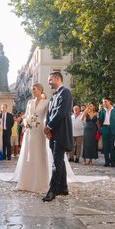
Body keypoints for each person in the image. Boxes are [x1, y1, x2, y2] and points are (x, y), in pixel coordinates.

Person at [43, 71, 73, 202]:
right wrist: (48, 129)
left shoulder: (65, 93)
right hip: (53, 134)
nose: (49, 82)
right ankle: (63, 187)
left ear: (57, 79)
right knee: (59, 161)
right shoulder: (54, 96)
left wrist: (49, 127)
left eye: (50, 80)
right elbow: (50, 114)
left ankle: (52, 191)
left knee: (56, 162)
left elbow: (61, 113)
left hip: (61, 133)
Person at [98, 98, 115, 167]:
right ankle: (107, 162)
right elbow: (100, 120)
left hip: (112, 129)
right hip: (105, 128)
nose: (104, 103)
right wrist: (101, 129)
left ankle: (113, 162)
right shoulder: (102, 110)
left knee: (112, 146)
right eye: (103, 102)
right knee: (105, 147)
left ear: (109, 101)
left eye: (105, 102)